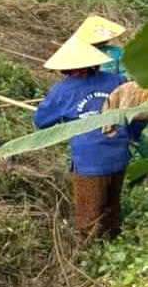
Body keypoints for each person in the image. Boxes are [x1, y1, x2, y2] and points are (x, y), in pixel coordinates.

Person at [33, 36, 142, 241]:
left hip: (89, 163)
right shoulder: (117, 81)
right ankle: (112, 248)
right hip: (118, 157)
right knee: (111, 209)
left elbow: (41, 121)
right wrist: (130, 138)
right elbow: (137, 114)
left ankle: (90, 257)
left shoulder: (62, 90)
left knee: (88, 220)